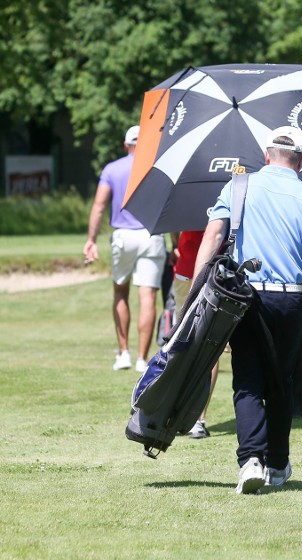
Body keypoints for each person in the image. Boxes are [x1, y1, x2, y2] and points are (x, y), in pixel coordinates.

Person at [193, 125, 302, 494]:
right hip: (290, 300)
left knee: (246, 380)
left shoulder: (238, 186)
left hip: (246, 297)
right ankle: (277, 465)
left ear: (265, 155)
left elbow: (212, 235)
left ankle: (251, 462)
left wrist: (198, 288)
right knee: (281, 382)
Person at [84, 126, 167, 373]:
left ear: (125, 145)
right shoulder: (156, 168)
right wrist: (173, 242)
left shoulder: (112, 169)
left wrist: (91, 239)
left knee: (121, 291)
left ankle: (124, 354)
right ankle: (142, 359)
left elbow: (99, 206)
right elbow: (166, 206)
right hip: (151, 235)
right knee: (148, 296)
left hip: (123, 236)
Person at [170, 230, 219, 439]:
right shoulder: (232, 196)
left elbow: (173, 224)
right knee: (212, 344)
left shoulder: (185, 195)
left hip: (186, 269)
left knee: (182, 341)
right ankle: (198, 419)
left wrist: (175, 243)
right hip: (218, 272)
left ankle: (176, 412)